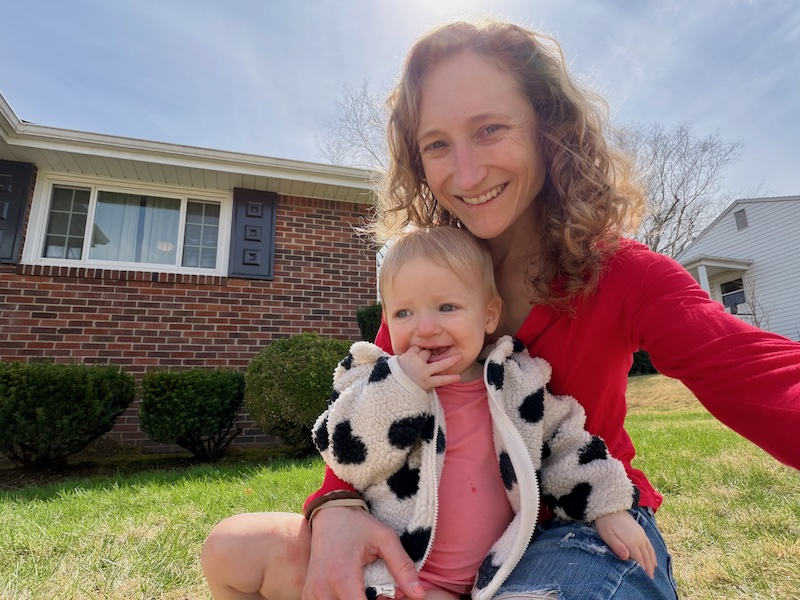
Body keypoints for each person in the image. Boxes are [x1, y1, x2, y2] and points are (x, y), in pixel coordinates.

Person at [201, 18, 800, 600]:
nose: (467, 173)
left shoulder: (624, 273)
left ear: (549, 128)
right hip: (425, 534)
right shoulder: (426, 283)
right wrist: (336, 506)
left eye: (490, 129)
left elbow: (762, 375)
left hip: (580, 521)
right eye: (437, 144)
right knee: (237, 549)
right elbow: (372, 401)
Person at [312, 226, 655, 600]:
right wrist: (401, 387)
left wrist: (606, 507)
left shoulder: (516, 384)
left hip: (489, 578)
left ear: (490, 315)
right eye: (403, 312)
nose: (425, 328)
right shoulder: (373, 379)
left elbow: (565, 447)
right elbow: (344, 452)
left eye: (446, 308)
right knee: (260, 547)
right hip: (395, 572)